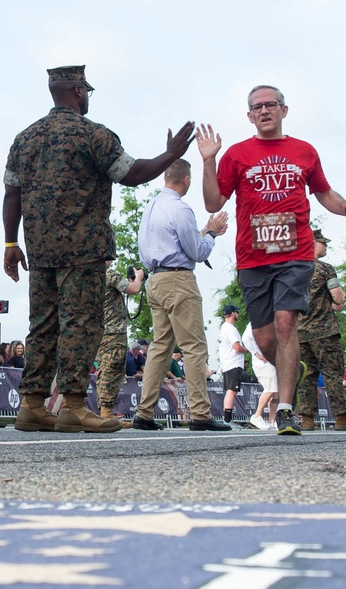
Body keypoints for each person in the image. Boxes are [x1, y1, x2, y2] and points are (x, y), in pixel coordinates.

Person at [3, 65, 194, 433]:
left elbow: (11, 193)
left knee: (41, 325)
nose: (87, 96)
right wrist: (170, 155)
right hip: (82, 248)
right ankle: (73, 406)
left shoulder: (24, 138)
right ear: (77, 90)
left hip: (39, 249)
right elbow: (133, 173)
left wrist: (11, 243)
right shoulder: (93, 135)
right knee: (80, 323)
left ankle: (32, 405)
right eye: (86, 91)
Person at [197, 86, 346, 436]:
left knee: (286, 322)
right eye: (256, 107)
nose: (264, 111)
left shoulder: (304, 151)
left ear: (283, 110)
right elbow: (214, 203)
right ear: (249, 116)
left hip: (295, 254)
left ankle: (287, 411)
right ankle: (293, 370)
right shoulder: (237, 154)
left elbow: (324, 191)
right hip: (252, 258)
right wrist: (209, 160)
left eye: (270, 105)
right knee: (263, 338)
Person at [130, 157, 229, 432]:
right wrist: (211, 234)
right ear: (186, 180)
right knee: (194, 348)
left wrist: (203, 234)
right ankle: (200, 413)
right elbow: (197, 252)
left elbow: (169, 244)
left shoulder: (150, 208)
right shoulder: (180, 208)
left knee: (160, 348)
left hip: (156, 279)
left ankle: (144, 413)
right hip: (178, 280)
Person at [296, 227, 346, 431]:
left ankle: (307, 419)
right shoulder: (325, 269)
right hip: (325, 331)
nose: (326, 245)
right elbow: (337, 296)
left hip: (300, 332)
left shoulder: (294, 268)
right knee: (332, 373)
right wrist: (339, 298)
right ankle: (341, 417)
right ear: (313, 243)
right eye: (323, 242)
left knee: (307, 376)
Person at [96, 265, 145, 424]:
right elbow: (134, 289)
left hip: (100, 331)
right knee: (113, 369)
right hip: (114, 331)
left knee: (104, 369)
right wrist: (138, 277)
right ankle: (106, 413)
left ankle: (104, 411)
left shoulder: (90, 275)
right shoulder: (109, 274)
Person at [243, 321, 277, 429]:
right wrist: (256, 353)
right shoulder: (256, 321)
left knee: (276, 392)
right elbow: (245, 338)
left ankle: (273, 420)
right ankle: (257, 415)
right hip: (263, 363)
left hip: (272, 361)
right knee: (270, 389)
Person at [217, 304, 246, 424]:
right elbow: (237, 348)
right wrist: (248, 349)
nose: (237, 314)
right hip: (233, 363)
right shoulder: (230, 329)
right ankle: (227, 420)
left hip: (227, 363)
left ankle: (227, 419)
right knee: (232, 391)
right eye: (236, 312)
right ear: (233, 313)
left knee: (230, 390)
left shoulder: (224, 328)